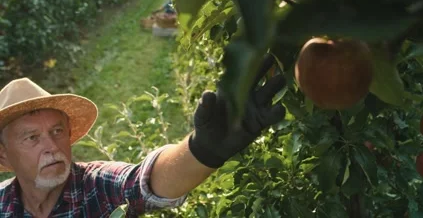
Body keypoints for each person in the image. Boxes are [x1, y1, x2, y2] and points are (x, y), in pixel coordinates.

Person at [0, 53, 286, 217]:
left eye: (57, 131)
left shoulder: (96, 186)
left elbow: (141, 182)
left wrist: (203, 150)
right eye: (31, 138)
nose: (51, 146)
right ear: (3, 154)